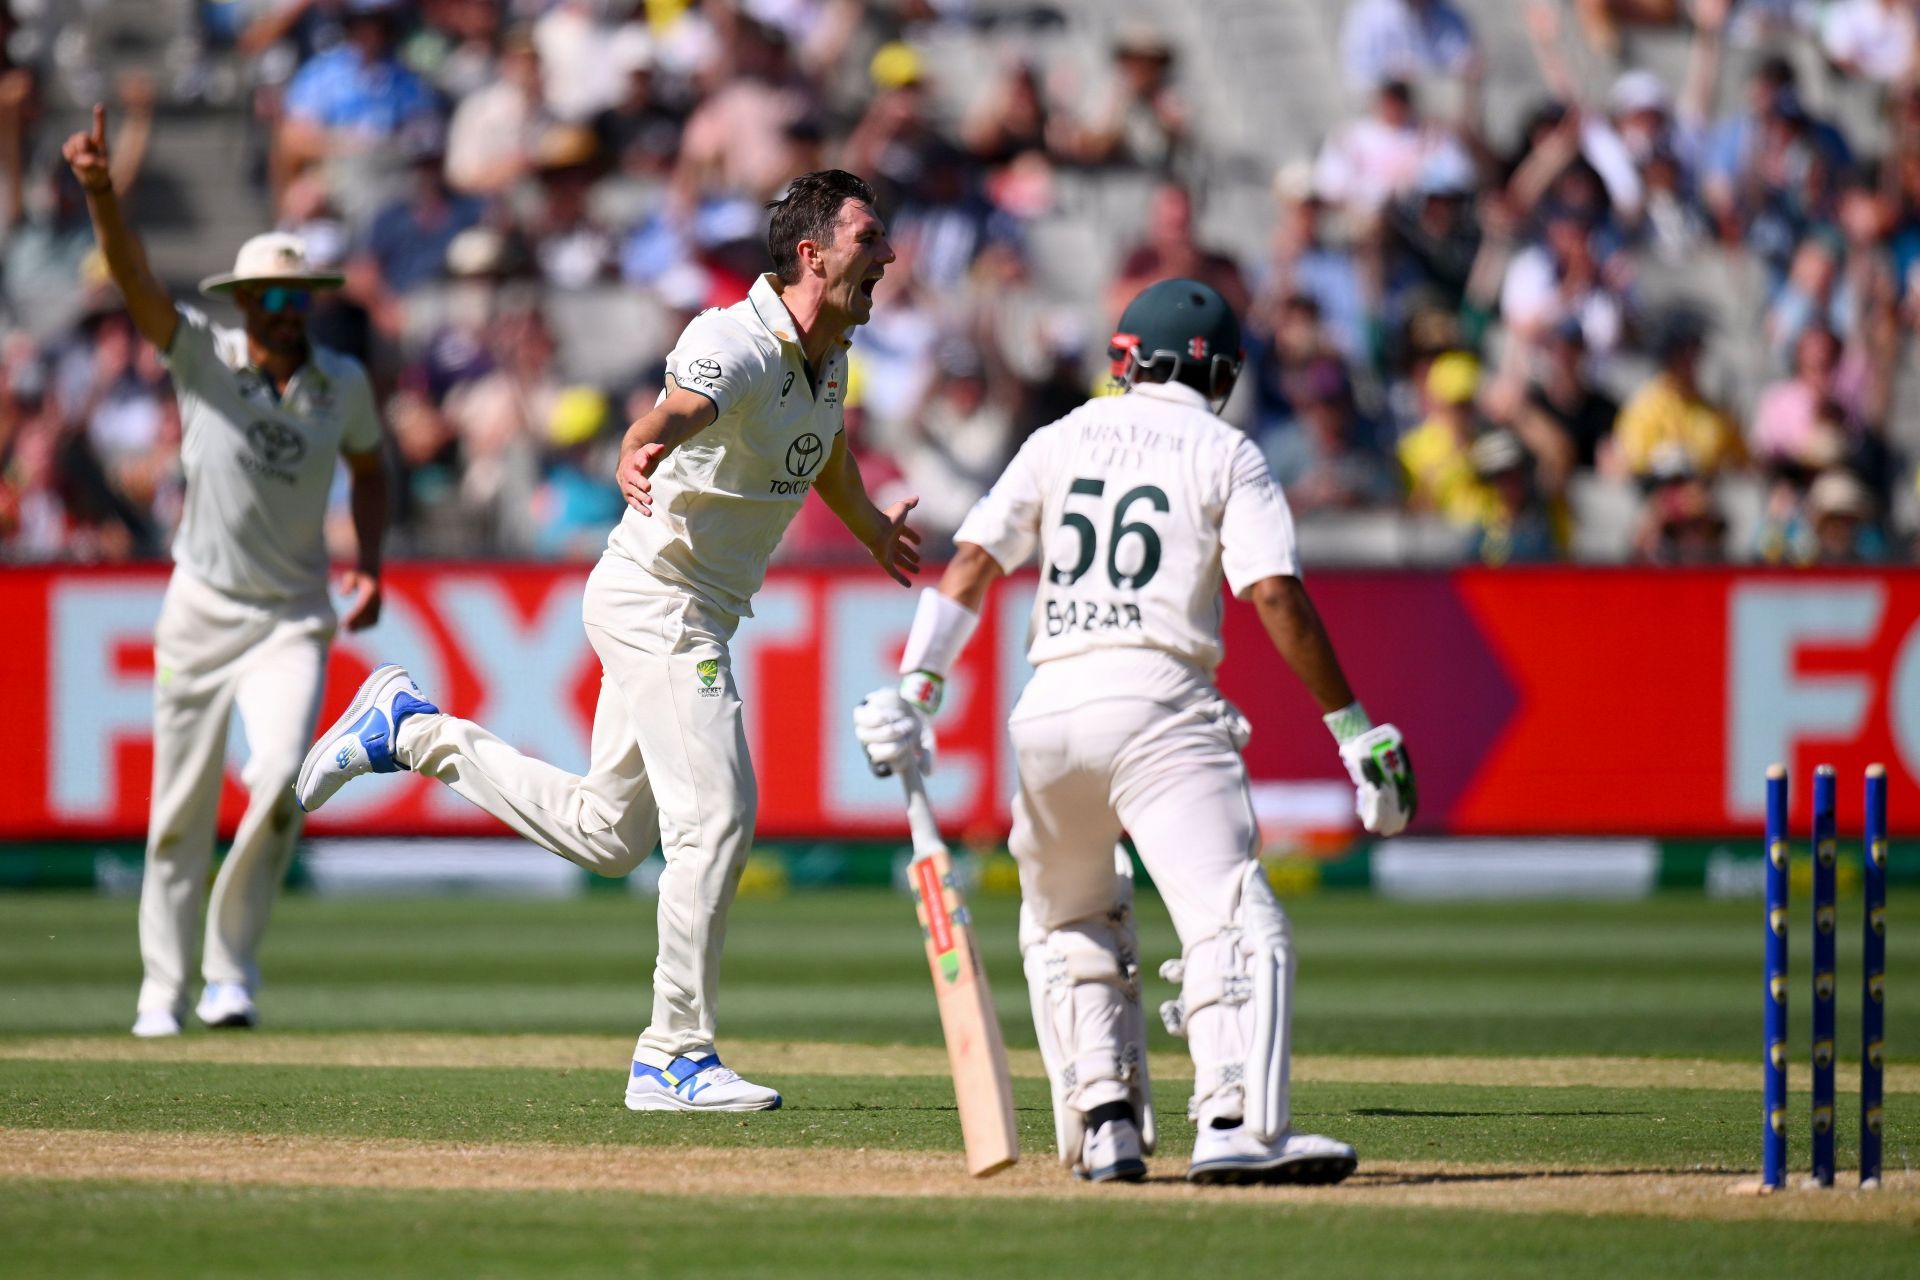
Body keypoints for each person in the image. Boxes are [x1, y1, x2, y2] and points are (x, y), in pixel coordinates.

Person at [296, 170, 919, 1113]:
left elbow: (820, 447)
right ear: (813, 252)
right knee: (716, 815)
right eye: (870, 238)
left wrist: (870, 526)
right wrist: (643, 440)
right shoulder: (735, 340)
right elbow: (674, 408)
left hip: (693, 607)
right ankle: (673, 1053)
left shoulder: (825, 354)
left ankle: (409, 731)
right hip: (656, 599)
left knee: (607, 834)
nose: (890, 255)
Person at [852, 279, 1415, 1185]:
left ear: (1125, 358)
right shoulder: (1229, 452)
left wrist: (918, 691)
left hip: (1048, 713)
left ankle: (1107, 1120)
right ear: (1223, 371)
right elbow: (1272, 591)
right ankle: (1234, 1123)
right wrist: (1352, 729)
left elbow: (971, 564)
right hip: (1160, 707)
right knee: (1230, 917)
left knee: (1073, 918)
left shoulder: (1060, 436)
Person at [63, 105, 390, 1038]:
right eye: (270, 301)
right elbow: (133, 281)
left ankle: (228, 975)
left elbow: (372, 467)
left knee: (281, 782)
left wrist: (368, 562)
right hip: (200, 611)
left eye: (296, 300)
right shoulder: (203, 358)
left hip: (292, 615)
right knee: (176, 819)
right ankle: (159, 992)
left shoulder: (342, 383)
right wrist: (99, 194)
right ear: (244, 304)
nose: (285, 315)